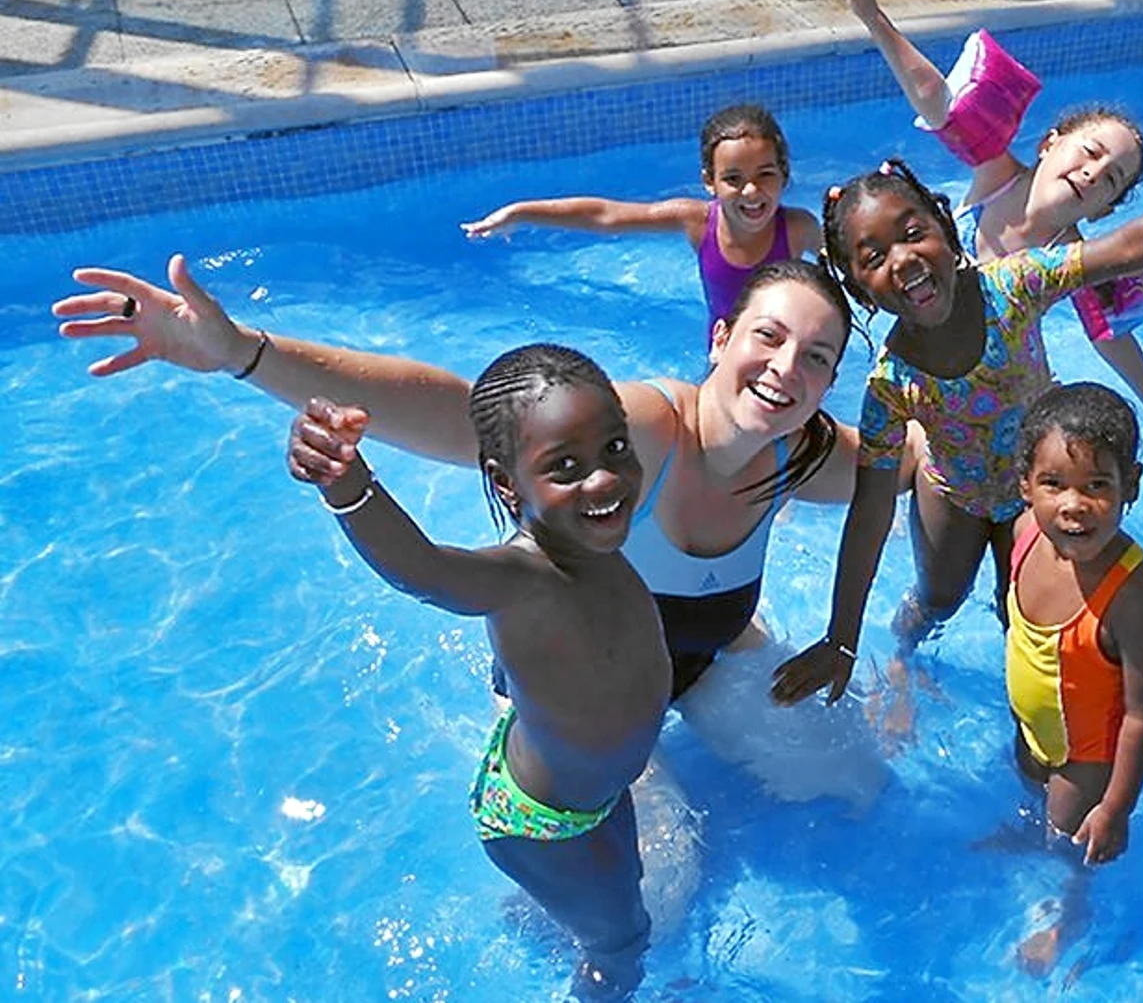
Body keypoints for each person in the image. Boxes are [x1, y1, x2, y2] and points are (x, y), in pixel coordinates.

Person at [54, 255, 895, 808]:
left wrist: (858, 637)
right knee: (659, 895)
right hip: (578, 701)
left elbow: (930, 459)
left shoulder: (805, 456)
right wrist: (244, 352)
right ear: (721, 338)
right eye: (769, 337)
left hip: (703, 659)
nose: (788, 368)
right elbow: (466, 418)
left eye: (819, 356)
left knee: (856, 783)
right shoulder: (640, 429)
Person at [768, 132, 1143, 708]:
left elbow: (1129, 247)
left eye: (913, 234)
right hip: (953, 496)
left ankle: (1031, 714)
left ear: (944, 223)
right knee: (936, 599)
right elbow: (871, 507)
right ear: (858, 287)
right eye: (874, 257)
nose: (903, 259)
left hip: (1039, 492)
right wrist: (842, 637)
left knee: (1028, 614)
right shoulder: (891, 384)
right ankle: (904, 657)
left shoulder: (1012, 288)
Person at [286, 343, 670, 1000]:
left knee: (627, 878)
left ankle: (550, 910)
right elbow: (425, 569)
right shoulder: (524, 575)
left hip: (593, 792)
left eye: (614, 448)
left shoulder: (592, 536)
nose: (604, 479)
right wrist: (349, 487)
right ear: (505, 483)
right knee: (623, 940)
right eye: (566, 467)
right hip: (542, 822)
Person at [841, 0, 1143, 411]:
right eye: (1090, 152)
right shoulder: (995, 173)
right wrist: (873, 17)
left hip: (1001, 393)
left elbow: (1109, 336)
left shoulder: (1072, 257)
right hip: (925, 366)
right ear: (1049, 143)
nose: (1093, 172)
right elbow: (937, 101)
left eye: (1111, 178)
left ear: (1105, 208)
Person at [1001, 382, 1143, 976]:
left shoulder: (1132, 595)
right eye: (1054, 485)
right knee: (1031, 805)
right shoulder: (1025, 537)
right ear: (1026, 486)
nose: (1074, 504)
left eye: (1098, 485)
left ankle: (1072, 915)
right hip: (1034, 729)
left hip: (1087, 758)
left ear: (1132, 486)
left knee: (1072, 846)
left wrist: (1117, 807)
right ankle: (1031, 844)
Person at [462, 103, 824, 346]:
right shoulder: (698, 222)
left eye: (765, 174)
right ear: (709, 182)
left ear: (784, 174)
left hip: (784, 356)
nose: (751, 190)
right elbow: (606, 216)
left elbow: (846, 265)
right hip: (725, 357)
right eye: (733, 178)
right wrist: (520, 212)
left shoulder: (798, 229)